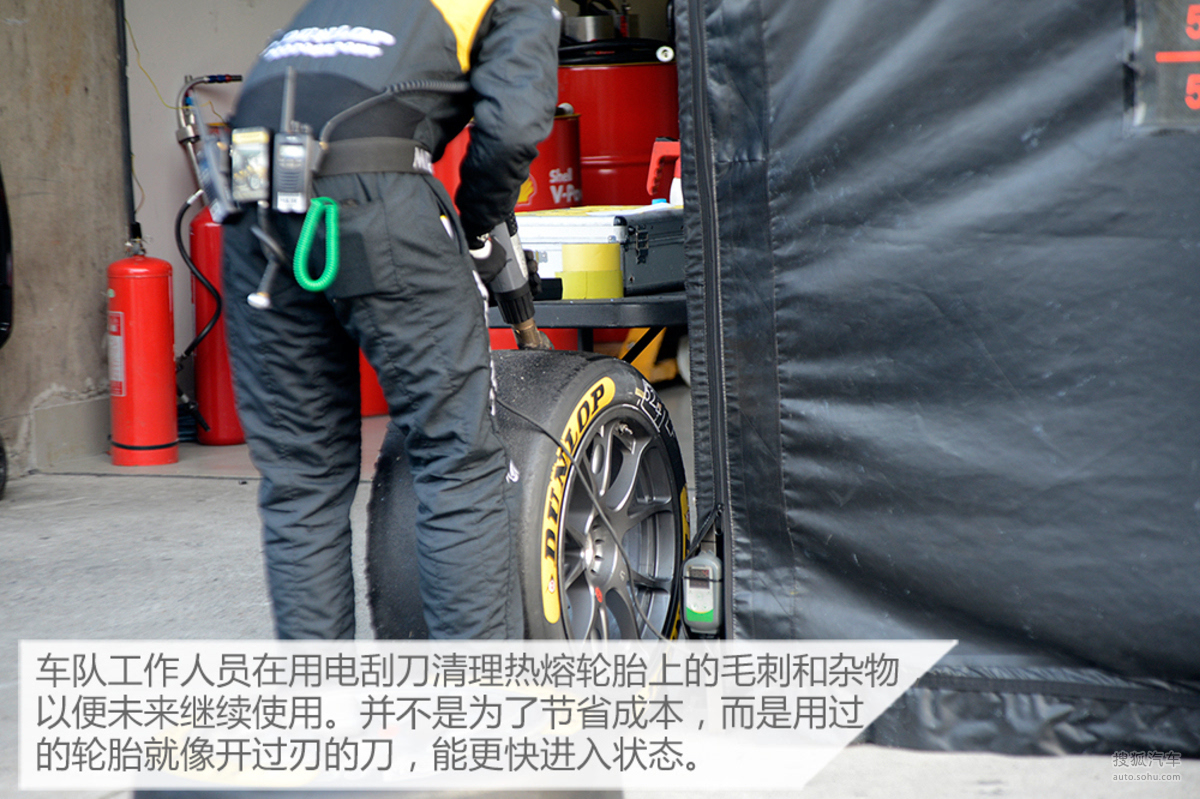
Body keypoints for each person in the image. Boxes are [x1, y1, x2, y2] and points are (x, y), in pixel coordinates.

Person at [221, 0, 561, 639]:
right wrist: (474, 220)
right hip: (370, 186)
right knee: (455, 459)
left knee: (301, 477)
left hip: (250, 193)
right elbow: (514, 127)